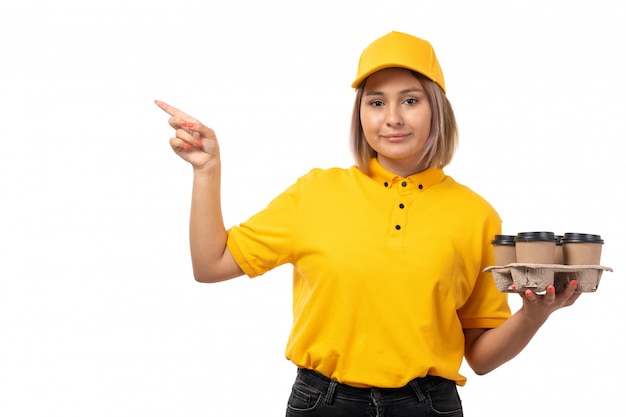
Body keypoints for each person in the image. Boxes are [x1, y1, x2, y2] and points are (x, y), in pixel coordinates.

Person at [155, 31, 580, 417]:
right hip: (323, 403)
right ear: (360, 114)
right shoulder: (316, 192)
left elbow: (482, 358)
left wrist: (534, 314)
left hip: (427, 406)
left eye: (410, 100)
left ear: (437, 109)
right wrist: (207, 170)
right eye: (376, 102)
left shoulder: (476, 214)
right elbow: (211, 265)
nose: (392, 117)